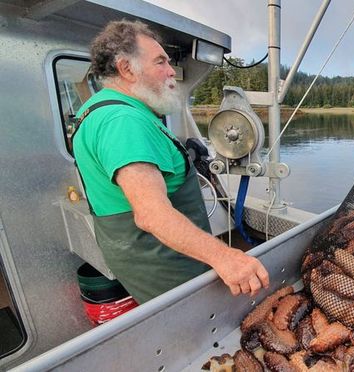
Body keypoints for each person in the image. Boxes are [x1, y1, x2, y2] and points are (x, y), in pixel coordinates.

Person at [73, 20, 269, 304]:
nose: (171, 72)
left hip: (148, 257)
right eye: (160, 62)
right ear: (126, 68)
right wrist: (225, 257)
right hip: (166, 264)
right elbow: (151, 214)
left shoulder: (100, 107)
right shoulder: (123, 122)